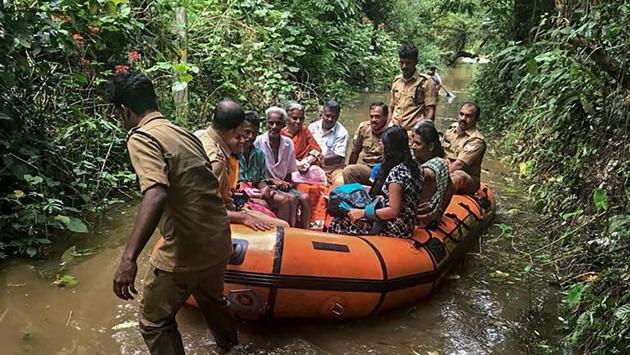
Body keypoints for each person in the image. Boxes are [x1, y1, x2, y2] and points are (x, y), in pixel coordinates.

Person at [110, 72, 238, 354]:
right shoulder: (183, 133)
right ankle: (230, 347)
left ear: (126, 110)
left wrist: (128, 259)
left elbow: (156, 192)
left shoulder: (142, 137)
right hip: (218, 240)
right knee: (212, 300)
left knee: (154, 322)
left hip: (186, 247)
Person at [195, 100, 283, 231]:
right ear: (235, 129)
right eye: (240, 135)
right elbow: (208, 210)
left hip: (231, 206)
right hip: (220, 218)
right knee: (283, 226)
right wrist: (243, 217)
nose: (243, 140)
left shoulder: (199, 135)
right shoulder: (217, 161)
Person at [329, 126, 424, 238]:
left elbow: (393, 211)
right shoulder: (417, 167)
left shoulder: (397, 173)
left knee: (339, 222)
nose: (380, 144)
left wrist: (363, 213)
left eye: (382, 142)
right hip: (408, 224)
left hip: (395, 228)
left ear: (389, 147)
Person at [255, 107, 312, 228]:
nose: (274, 126)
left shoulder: (288, 143)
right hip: (266, 183)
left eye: (278, 123)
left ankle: (305, 231)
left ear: (283, 125)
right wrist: (275, 182)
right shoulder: (258, 142)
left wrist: (288, 185)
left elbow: (290, 171)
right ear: (266, 123)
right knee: (290, 199)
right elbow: (256, 174)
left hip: (282, 184)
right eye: (271, 123)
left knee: (305, 198)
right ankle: (288, 232)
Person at [239, 111, 294, 225]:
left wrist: (264, 188)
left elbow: (261, 179)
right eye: (247, 132)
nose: (251, 137)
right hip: (240, 195)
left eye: (254, 133)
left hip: (256, 191)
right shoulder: (233, 152)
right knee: (263, 205)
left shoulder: (258, 154)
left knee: (285, 200)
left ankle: (286, 236)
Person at [411, 120, 453, 227]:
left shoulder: (428, 170)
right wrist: (440, 212)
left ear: (430, 147)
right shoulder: (440, 163)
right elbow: (451, 188)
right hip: (428, 217)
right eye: (413, 142)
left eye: (418, 144)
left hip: (420, 221)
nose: (413, 146)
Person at [389, 43, 437, 128]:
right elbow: (392, 109)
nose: (404, 66)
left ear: (416, 62)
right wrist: (386, 130)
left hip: (412, 133)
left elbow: (430, 111)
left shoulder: (426, 83)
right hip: (394, 132)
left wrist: (421, 134)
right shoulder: (396, 82)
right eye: (401, 62)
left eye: (407, 63)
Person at [443, 102, 486, 194]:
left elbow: (459, 165)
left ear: (475, 119)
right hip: (445, 169)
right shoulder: (451, 129)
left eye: (468, 116)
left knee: (459, 175)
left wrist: (438, 176)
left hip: (466, 178)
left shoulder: (476, 140)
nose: (463, 118)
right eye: (461, 114)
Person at [342, 102, 389, 185]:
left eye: (377, 117)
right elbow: (355, 151)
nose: (374, 120)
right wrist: (350, 166)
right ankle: (354, 195)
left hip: (383, 169)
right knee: (348, 171)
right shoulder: (363, 128)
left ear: (386, 117)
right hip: (367, 167)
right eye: (372, 116)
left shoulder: (391, 131)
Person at [308, 100, 349, 177]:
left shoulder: (342, 133)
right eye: (327, 116)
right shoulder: (312, 127)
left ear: (338, 116)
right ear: (322, 113)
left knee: (340, 182)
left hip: (332, 170)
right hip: (311, 166)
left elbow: (339, 157)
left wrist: (319, 159)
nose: (330, 119)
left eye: (333, 117)